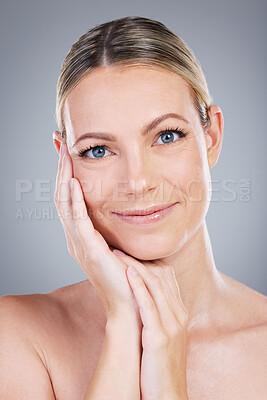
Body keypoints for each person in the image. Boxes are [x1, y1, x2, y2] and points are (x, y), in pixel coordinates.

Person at [0, 15, 266, 400]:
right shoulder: (18, 335)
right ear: (65, 162)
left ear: (211, 137)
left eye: (167, 136)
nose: (138, 182)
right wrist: (124, 324)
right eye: (98, 150)